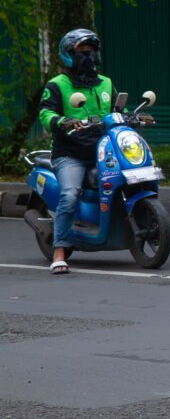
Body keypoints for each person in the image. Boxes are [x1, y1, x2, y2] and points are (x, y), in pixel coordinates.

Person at [37, 29, 115, 275]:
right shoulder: (58, 84)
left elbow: (116, 111)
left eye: (90, 51)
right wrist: (61, 121)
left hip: (102, 151)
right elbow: (45, 112)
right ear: (68, 55)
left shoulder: (106, 83)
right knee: (70, 195)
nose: (87, 56)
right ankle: (59, 251)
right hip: (70, 154)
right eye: (81, 52)